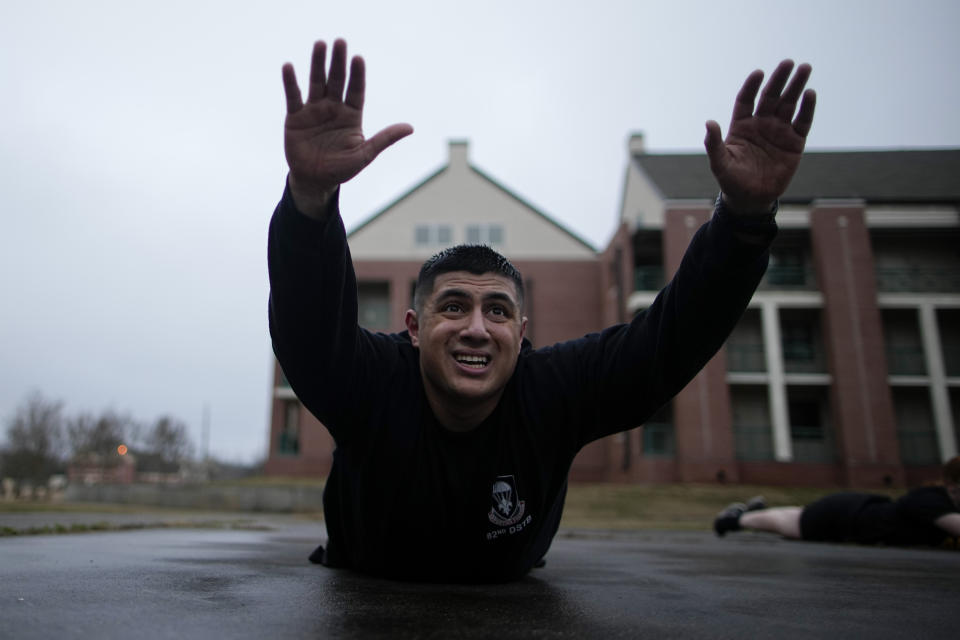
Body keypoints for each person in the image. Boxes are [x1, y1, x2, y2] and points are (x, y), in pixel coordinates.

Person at [268, 38, 816, 581]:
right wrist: (311, 198)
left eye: (498, 312)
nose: (477, 330)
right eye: (454, 306)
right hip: (365, 595)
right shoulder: (372, 382)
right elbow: (310, 331)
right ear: (414, 326)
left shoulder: (552, 392)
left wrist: (744, 216)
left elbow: (670, 342)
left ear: (522, 331)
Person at [714, 456, 960, 547]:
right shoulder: (932, 500)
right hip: (848, 516)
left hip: (855, 512)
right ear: (952, 485)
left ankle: (750, 513)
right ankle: (736, 519)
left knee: (796, 518)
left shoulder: (940, 500)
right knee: (793, 524)